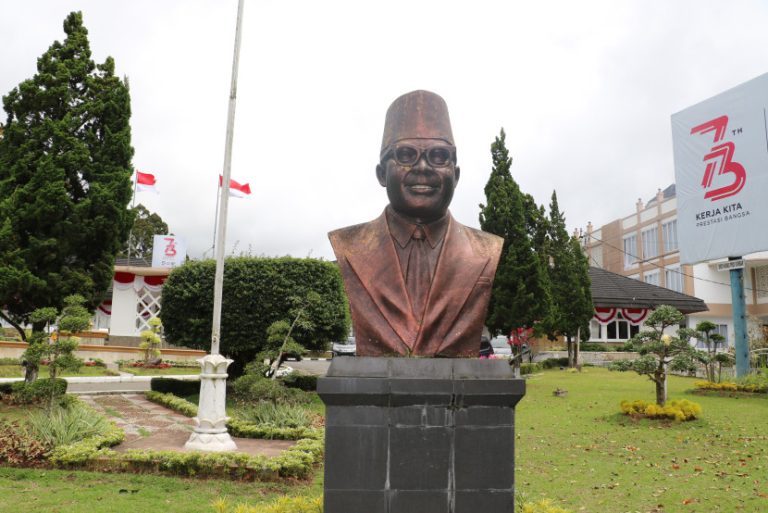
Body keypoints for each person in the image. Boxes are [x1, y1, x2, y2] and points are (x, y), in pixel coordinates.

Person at [329, 90, 503, 357]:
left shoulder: (485, 251)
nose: (423, 167)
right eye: (406, 155)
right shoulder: (350, 247)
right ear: (381, 174)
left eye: (439, 156)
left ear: (455, 175)